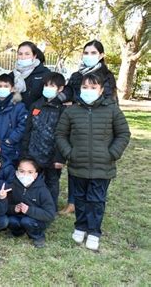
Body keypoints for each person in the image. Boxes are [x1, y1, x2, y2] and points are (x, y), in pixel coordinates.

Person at [55, 73, 130, 251]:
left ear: (101, 90)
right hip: (77, 165)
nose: (88, 91)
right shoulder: (71, 111)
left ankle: (94, 231)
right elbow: (60, 134)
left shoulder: (112, 110)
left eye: (93, 87)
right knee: (79, 198)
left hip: (102, 167)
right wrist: (69, 153)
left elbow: (123, 134)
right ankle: (80, 226)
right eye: (85, 87)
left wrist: (112, 153)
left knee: (96, 200)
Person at [58, 40, 119, 215]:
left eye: (93, 53)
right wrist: (59, 98)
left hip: (98, 123)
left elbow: (105, 98)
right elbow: (69, 90)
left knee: (95, 166)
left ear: (101, 56)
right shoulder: (78, 75)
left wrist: (76, 104)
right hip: (77, 123)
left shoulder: (106, 75)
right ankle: (72, 202)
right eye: (86, 52)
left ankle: (92, 202)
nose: (89, 56)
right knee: (75, 161)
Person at [22, 72, 67, 211]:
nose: (48, 88)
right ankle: (33, 205)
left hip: (52, 155)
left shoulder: (63, 110)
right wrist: (25, 151)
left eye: (52, 85)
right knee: (33, 181)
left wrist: (60, 158)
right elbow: (28, 129)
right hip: (33, 153)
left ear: (60, 88)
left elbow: (64, 135)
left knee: (52, 182)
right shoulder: (36, 106)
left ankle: (50, 208)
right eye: (46, 85)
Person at [7, 158, 55, 248]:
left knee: (27, 221)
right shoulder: (12, 186)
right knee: (10, 220)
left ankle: (38, 236)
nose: (25, 175)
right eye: (22, 171)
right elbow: (6, 207)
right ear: (16, 172)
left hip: (36, 219)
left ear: (36, 175)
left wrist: (29, 210)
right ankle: (18, 232)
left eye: (30, 172)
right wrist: (14, 209)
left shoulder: (42, 190)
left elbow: (50, 214)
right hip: (19, 216)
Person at [0, 74, 28, 165]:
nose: (2, 88)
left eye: (6, 86)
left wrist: (10, 140)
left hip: (10, 147)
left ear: (12, 88)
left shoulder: (19, 106)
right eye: (0, 86)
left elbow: (23, 125)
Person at [9, 41, 51, 109]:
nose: (23, 57)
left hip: (36, 115)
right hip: (16, 116)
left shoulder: (44, 73)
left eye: (27, 54)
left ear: (34, 56)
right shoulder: (12, 75)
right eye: (20, 54)